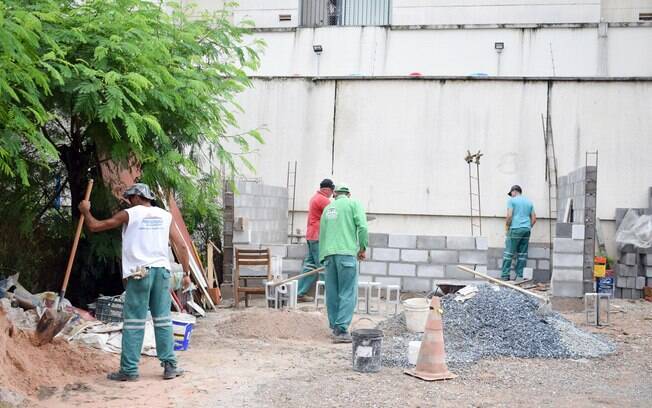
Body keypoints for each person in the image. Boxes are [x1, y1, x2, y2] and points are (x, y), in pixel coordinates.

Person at [78, 183, 190, 381]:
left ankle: (129, 370)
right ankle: (170, 366)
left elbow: (95, 226)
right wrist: (186, 272)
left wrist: (86, 211)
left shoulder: (130, 214)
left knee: (134, 323)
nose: (129, 202)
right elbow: (181, 245)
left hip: (140, 273)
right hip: (162, 272)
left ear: (137, 197)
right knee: (163, 320)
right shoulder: (165, 216)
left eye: (130, 198)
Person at [318, 184, 368, 343]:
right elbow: (363, 227)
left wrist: (323, 258)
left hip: (329, 256)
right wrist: (362, 247)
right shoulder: (353, 204)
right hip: (346, 255)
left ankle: (334, 326)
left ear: (335, 195)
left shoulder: (328, 209)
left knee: (332, 292)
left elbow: (322, 235)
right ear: (349, 194)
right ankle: (341, 329)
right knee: (347, 292)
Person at [297, 178, 335, 302]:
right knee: (323, 266)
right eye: (332, 191)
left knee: (310, 266)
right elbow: (336, 212)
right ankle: (328, 295)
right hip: (317, 237)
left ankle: (300, 293)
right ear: (328, 189)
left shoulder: (315, 197)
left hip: (311, 235)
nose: (332, 194)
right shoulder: (323, 200)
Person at [501, 185, 536, 282]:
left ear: (514, 192)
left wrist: (507, 227)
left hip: (515, 229)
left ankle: (505, 276)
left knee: (508, 253)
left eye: (511, 194)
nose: (511, 196)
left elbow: (509, 216)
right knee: (522, 254)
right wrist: (527, 227)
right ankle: (520, 276)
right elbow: (534, 219)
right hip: (526, 230)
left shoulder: (512, 201)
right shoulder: (529, 202)